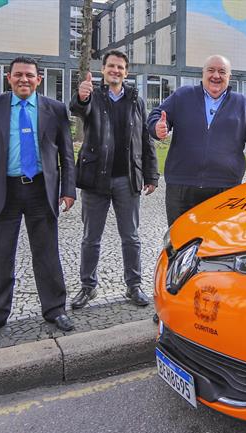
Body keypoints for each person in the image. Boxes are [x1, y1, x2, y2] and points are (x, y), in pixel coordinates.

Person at [0, 56, 76, 341]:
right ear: (9, 78)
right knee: (1, 255)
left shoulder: (55, 109)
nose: (23, 79)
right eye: (18, 75)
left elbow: (66, 154)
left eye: (29, 75)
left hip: (41, 190)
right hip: (4, 190)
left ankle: (55, 309)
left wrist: (68, 190)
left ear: (39, 79)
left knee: (47, 253)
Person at [147, 55, 246, 227]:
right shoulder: (183, 95)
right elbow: (157, 115)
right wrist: (157, 126)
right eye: (211, 70)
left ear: (229, 76)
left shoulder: (240, 103)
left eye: (222, 72)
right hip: (181, 187)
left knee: (219, 240)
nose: (216, 76)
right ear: (203, 73)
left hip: (224, 189)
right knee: (178, 238)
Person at [68, 50, 159, 309]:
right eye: (111, 66)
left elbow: (145, 138)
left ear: (126, 72)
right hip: (95, 179)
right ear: (104, 70)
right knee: (90, 237)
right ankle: (88, 286)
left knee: (131, 236)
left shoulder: (135, 100)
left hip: (126, 179)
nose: (115, 70)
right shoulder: (93, 96)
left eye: (120, 67)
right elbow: (78, 109)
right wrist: (82, 97)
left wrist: (151, 174)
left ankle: (134, 285)